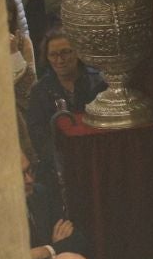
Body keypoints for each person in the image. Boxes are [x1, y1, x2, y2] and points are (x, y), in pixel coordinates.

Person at [25, 29, 102, 168]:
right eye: (53, 55)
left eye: (66, 52)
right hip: (59, 164)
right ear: (47, 58)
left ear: (77, 52)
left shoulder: (98, 82)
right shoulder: (39, 91)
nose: (60, 60)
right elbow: (38, 134)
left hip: (97, 157)